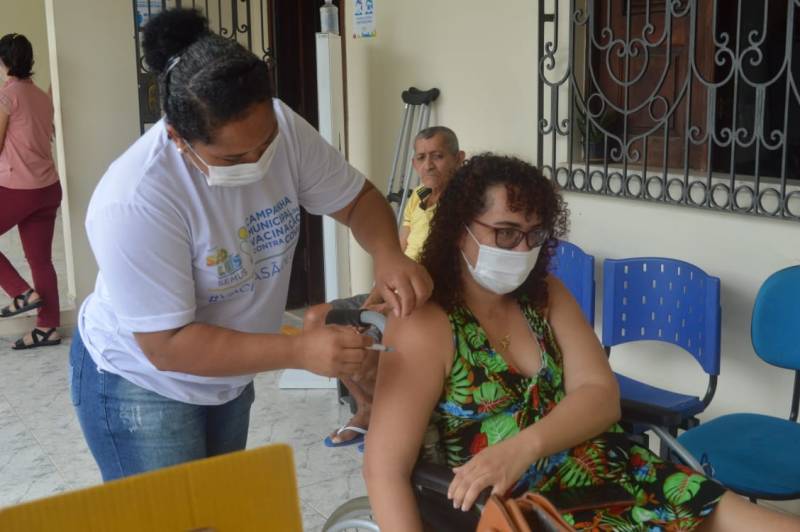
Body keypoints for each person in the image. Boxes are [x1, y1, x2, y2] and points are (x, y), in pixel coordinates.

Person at [71, 8, 431, 482]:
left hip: (226, 375)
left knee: (217, 506)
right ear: (177, 138)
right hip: (142, 383)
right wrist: (299, 350)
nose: (258, 161)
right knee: (172, 514)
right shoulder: (135, 200)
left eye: (265, 144)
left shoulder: (282, 126)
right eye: (233, 157)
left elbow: (357, 200)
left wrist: (388, 253)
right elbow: (167, 345)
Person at [363, 154, 800, 531]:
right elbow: (385, 471)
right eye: (506, 233)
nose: (521, 249)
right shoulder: (426, 323)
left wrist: (521, 448)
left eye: (534, 235)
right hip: (530, 510)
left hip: (614, 472)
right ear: (460, 229)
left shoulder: (545, 296)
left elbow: (601, 395)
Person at [303, 126, 464, 447]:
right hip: (397, 288)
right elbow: (395, 258)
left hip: (429, 296)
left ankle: (396, 422)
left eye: (437, 156)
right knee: (317, 321)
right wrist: (371, 303)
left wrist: (386, 306)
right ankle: (367, 407)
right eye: (421, 157)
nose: (429, 165)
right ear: (414, 163)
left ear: (458, 159)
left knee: (360, 346)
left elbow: (448, 272)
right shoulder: (418, 198)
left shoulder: (463, 206)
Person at [0, 33, 62, 350]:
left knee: (39, 260)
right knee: (41, 260)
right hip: (47, 188)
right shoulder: (41, 96)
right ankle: (47, 328)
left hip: (19, 188)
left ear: (4, 62)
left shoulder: (6, 95)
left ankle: (21, 293)